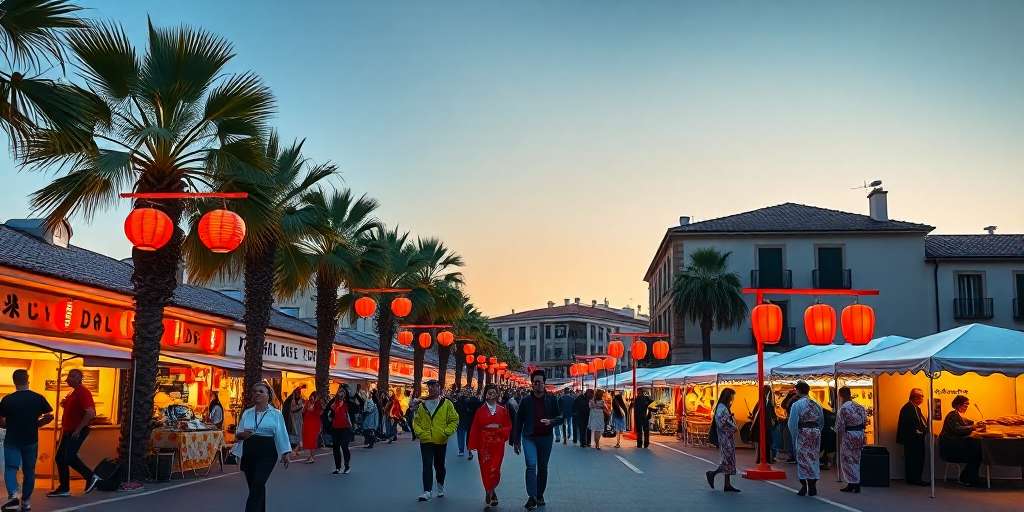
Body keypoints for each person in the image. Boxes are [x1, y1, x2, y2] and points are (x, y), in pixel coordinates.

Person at [231, 382, 291, 512]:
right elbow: (238, 434)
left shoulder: (276, 414)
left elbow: (281, 433)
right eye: (254, 391)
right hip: (249, 451)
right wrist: (241, 438)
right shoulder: (247, 413)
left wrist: (285, 453)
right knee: (255, 486)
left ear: (268, 395)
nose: (257, 393)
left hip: (267, 452)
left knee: (258, 483)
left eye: (261, 391)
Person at [0, 369, 54, 512]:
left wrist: (8, 425)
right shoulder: (38, 398)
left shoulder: (7, 399)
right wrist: (37, 424)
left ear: (14, 381)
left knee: (11, 469)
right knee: (29, 470)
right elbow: (50, 415)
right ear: (27, 380)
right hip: (31, 439)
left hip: (12, 439)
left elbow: (1, 421)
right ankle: (26, 502)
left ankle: (13, 497)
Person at [512, 370, 563, 511]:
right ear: (532, 384)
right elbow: (518, 420)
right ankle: (532, 497)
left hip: (546, 438)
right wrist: (516, 440)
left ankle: (539, 494)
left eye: (541, 382)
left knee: (543, 467)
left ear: (544, 383)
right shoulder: (526, 401)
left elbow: (561, 417)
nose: (539, 385)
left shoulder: (552, 399)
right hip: (529, 437)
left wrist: (551, 421)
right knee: (531, 465)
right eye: (536, 382)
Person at [47, 368, 101, 498]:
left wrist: (78, 429)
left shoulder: (83, 392)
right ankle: (64, 488)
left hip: (76, 431)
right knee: (60, 458)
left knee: (69, 457)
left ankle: (91, 476)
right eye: (69, 376)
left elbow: (90, 412)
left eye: (72, 376)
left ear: (79, 378)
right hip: (68, 430)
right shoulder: (73, 393)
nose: (68, 378)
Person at [413, 379, 459, 502]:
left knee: (439, 465)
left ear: (439, 388)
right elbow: (416, 421)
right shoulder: (422, 404)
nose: (431, 389)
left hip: (440, 439)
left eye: (434, 386)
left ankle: (440, 485)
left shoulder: (447, 404)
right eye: (429, 387)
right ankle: (427, 491)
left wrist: (446, 432)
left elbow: (454, 419)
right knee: (427, 465)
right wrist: (420, 433)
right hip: (426, 439)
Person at [468, 384, 512, 508]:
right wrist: (473, 444)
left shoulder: (503, 410)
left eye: (493, 392)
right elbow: (475, 428)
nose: (491, 395)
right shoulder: (480, 411)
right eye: (489, 392)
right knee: (485, 468)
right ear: (485, 394)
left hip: (497, 444)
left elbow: (508, 426)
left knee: (495, 468)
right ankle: (490, 492)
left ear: (497, 394)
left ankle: (491, 490)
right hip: (484, 444)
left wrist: (500, 431)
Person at [787, 381, 823, 497]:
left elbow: (792, 423)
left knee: (802, 458)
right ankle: (813, 483)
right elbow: (821, 421)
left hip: (803, 432)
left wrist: (794, 436)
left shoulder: (797, 404)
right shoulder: (816, 403)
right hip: (815, 431)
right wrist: (818, 431)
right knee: (814, 457)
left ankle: (804, 485)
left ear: (798, 391)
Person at [939, 395, 984, 486]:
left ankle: (970, 477)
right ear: (958, 404)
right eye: (965, 404)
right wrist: (974, 427)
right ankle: (966, 478)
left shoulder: (959, 415)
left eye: (967, 405)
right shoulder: (952, 415)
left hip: (956, 445)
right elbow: (957, 429)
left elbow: (969, 423)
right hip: (950, 448)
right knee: (976, 453)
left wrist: (977, 424)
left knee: (978, 450)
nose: (966, 407)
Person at [706, 387, 740, 493]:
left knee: (729, 460)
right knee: (727, 460)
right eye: (731, 396)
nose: (732, 399)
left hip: (727, 437)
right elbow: (721, 422)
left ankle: (727, 484)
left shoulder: (723, 406)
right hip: (725, 437)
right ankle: (713, 474)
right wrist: (731, 422)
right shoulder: (722, 407)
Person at [835, 387, 867, 493]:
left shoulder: (843, 408)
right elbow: (865, 422)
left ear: (840, 395)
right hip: (860, 435)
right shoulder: (860, 406)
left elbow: (839, 426)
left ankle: (851, 483)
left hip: (849, 435)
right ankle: (856, 483)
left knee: (847, 460)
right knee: (857, 459)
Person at [896, 388, 929, 486]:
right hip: (913, 439)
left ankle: (915, 478)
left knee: (915, 459)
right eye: (921, 396)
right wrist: (921, 431)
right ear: (915, 397)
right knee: (914, 459)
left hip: (915, 438)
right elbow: (912, 425)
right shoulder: (909, 408)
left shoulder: (913, 407)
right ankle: (915, 479)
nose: (922, 398)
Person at [325, 385, 359, 475]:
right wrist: (329, 417)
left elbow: (358, 408)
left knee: (344, 446)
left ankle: (347, 466)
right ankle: (337, 467)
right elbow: (327, 412)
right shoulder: (333, 403)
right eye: (340, 392)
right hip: (335, 428)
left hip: (346, 428)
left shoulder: (348, 403)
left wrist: (356, 396)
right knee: (336, 448)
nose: (341, 393)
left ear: (345, 394)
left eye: (343, 392)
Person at [749, 385, 777, 464]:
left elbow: (755, 413)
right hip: (765, 427)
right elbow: (771, 414)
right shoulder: (766, 402)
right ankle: (766, 459)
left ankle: (762, 459)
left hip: (762, 426)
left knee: (762, 444)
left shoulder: (761, 401)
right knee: (766, 444)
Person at [299, 390, 324, 464]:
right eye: (311, 397)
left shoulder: (317, 404)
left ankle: (312, 457)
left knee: (312, 441)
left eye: (313, 397)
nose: (312, 398)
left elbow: (320, 413)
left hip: (314, 424)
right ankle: (310, 456)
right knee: (309, 440)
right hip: (308, 424)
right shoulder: (308, 403)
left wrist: (312, 406)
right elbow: (303, 411)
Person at [282, 386, 305, 459]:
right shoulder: (291, 400)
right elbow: (292, 409)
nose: (299, 393)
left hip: (299, 419)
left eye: (300, 392)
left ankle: (296, 449)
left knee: (299, 433)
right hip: (292, 419)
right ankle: (292, 449)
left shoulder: (300, 399)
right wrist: (300, 407)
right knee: (295, 433)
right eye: (298, 391)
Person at [456, 389, 480, 458]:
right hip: (469, 421)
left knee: (462, 436)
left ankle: (462, 451)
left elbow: (456, 408)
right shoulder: (474, 400)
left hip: (462, 420)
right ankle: (468, 451)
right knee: (468, 437)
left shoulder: (460, 400)